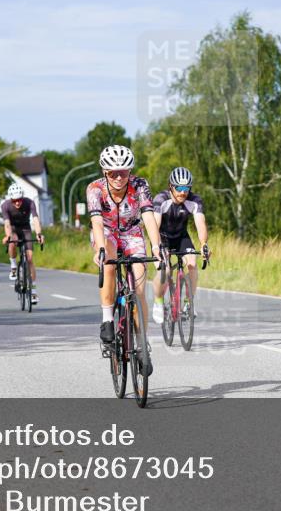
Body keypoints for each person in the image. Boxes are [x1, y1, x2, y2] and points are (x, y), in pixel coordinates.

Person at [87, 145, 162, 371]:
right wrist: (100, 249)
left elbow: (148, 215)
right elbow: (97, 222)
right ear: (104, 172)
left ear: (130, 171)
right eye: (113, 173)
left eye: (124, 172)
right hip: (107, 232)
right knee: (109, 263)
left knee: (139, 288)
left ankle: (142, 343)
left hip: (131, 232)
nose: (119, 177)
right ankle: (108, 319)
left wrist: (157, 246)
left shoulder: (140, 185)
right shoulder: (95, 189)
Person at [151, 167, 210, 323]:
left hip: (181, 237)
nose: (183, 192)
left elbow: (200, 223)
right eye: (179, 188)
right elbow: (154, 226)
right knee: (166, 270)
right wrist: (156, 246)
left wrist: (204, 244)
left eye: (186, 188)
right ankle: (158, 301)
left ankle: (188, 304)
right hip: (161, 237)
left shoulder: (194, 200)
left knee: (192, 264)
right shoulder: (161, 199)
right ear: (171, 186)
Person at [1, 183, 45, 304]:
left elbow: (35, 219)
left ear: (22, 198)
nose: (17, 203)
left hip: (26, 229)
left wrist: (39, 234)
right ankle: (14, 266)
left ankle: (34, 292)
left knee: (30, 259)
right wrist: (8, 236)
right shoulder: (5, 206)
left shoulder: (29, 202)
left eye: (19, 200)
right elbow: (7, 224)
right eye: (15, 200)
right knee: (12, 241)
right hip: (14, 229)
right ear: (11, 199)